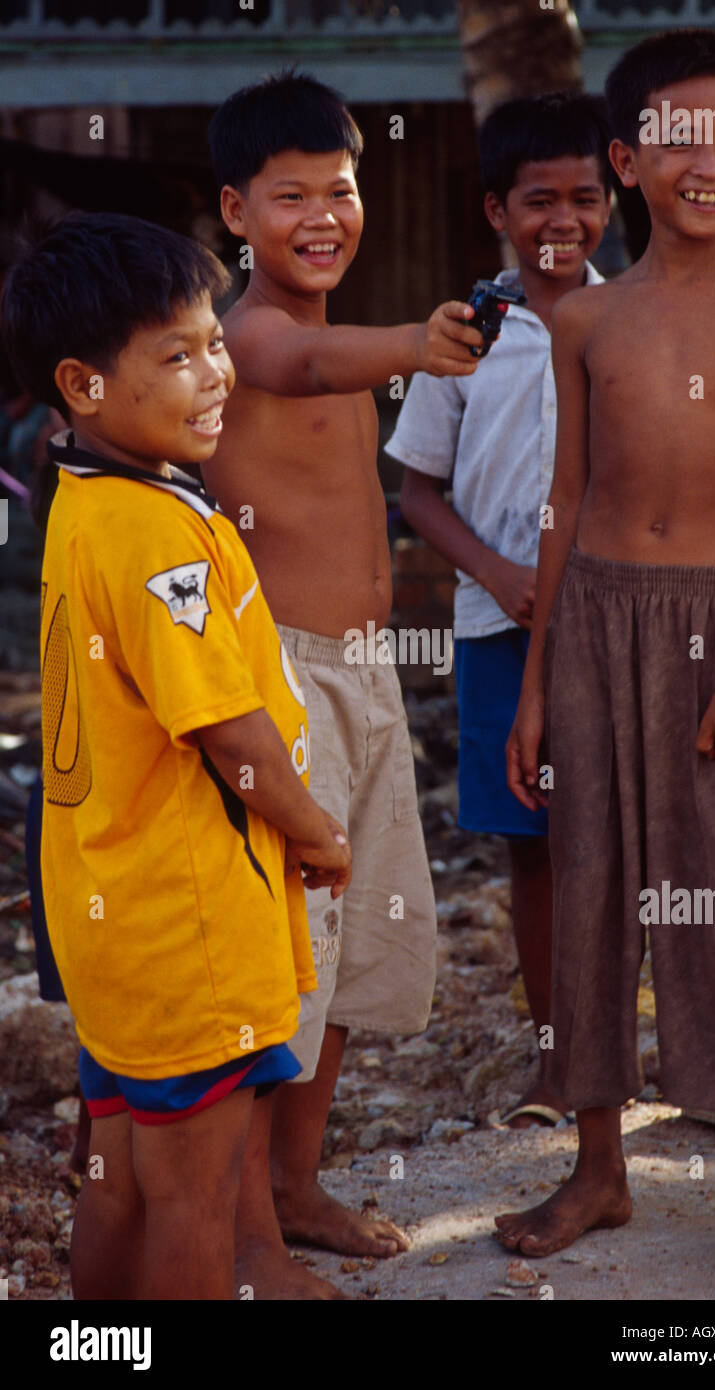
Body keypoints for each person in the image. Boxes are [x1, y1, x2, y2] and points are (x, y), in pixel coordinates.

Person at [1, 210, 351, 1301]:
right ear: (83, 383)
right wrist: (315, 827)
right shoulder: (158, 534)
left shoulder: (86, 495)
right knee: (194, 1201)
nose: (214, 374)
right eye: (176, 355)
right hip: (184, 922)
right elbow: (225, 733)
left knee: (117, 1181)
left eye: (213, 342)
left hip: (110, 917)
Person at [499, 28, 715, 1289]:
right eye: (676, 136)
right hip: (594, 626)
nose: (704, 161)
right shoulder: (585, 319)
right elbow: (566, 501)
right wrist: (533, 683)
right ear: (626, 159)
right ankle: (598, 1164)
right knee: (591, 891)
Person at [205, 71, 484, 1258]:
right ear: (235, 212)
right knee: (278, 959)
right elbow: (296, 368)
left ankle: (295, 1185)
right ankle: (229, 1212)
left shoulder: (327, 331)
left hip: (365, 678)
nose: (323, 215)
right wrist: (412, 344)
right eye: (290, 196)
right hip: (284, 684)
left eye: (342, 189)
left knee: (348, 954)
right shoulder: (250, 333)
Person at [388, 94, 611, 1130]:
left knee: (614, 842)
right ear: (496, 210)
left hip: (612, 625)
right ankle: (557, 1057)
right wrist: (494, 569)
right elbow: (415, 490)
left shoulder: (630, 324)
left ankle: (629, 1054)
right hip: (492, 625)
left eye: (583, 198)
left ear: (613, 200)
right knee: (531, 843)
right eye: (538, 201)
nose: (561, 220)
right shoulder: (466, 332)